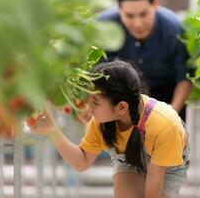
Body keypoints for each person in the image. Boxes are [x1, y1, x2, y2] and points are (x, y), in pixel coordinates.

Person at [30, 61, 190, 198]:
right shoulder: (100, 122)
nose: (88, 107)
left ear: (122, 107)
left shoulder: (165, 124)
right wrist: (53, 131)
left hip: (166, 167)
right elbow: (82, 162)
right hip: (129, 158)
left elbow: (156, 176)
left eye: (95, 102)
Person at [98, 0, 192, 121]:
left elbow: (184, 78)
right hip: (125, 92)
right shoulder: (105, 25)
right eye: (129, 16)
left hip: (167, 92)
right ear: (119, 9)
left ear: (155, 5)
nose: (138, 24)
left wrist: (171, 115)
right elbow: (97, 72)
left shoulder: (174, 29)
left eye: (143, 14)